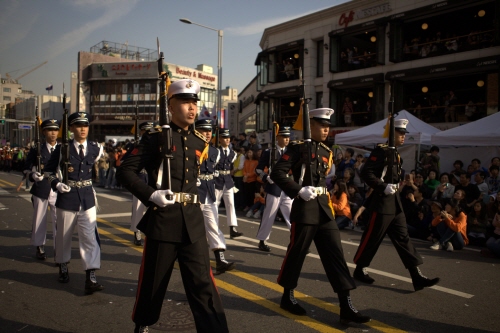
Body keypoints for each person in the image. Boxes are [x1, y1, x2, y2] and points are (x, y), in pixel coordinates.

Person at [115, 79, 229, 333]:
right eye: (185, 102)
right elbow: (125, 172)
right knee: (153, 283)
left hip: (192, 221)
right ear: (171, 105)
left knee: (204, 285)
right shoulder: (155, 138)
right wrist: (151, 195)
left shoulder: (200, 141)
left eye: (194, 103)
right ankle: (142, 323)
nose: (192, 108)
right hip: (164, 220)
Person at [271, 108, 370, 325]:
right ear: (310, 126)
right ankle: (287, 296)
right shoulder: (297, 148)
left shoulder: (326, 150)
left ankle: (346, 305)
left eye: (328, 126)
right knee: (297, 253)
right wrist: (298, 190)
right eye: (322, 125)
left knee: (335, 255)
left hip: (324, 209)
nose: (326, 129)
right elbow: (277, 172)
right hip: (305, 207)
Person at [353, 118, 440, 291]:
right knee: (372, 238)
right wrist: (382, 186)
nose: (403, 136)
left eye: (404, 133)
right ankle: (360, 269)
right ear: (392, 134)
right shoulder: (382, 151)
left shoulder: (396, 154)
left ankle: (417, 276)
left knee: (403, 239)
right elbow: (366, 173)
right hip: (381, 204)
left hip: (395, 204)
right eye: (400, 133)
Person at [44, 112, 104, 295]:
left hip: (87, 197)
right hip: (67, 197)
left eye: (85, 125)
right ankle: (63, 265)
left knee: (90, 237)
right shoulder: (62, 149)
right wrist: (56, 184)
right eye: (78, 125)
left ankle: (90, 275)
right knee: (63, 236)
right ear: (71, 128)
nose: (83, 129)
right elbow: (48, 172)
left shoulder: (95, 148)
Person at [195, 117, 235, 274]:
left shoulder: (215, 151)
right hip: (194, 191)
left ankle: (220, 259)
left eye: (209, 131)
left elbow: (215, 170)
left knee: (213, 225)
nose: (207, 133)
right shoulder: (190, 148)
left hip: (209, 191)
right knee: (191, 226)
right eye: (203, 130)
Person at [25, 119, 60, 260]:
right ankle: (39, 246)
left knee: (59, 220)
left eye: (55, 130)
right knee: (40, 218)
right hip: (42, 187)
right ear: (44, 132)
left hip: (57, 188)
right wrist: (33, 175)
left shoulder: (63, 148)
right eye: (50, 130)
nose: (53, 133)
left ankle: (59, 247)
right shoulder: (36, 149)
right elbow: (26, 167)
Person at [255, 125, 293, 252]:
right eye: (284, 137)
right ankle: (262, 240)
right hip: (274, 186)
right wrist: (266, 177)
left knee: (291, 215)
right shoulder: (269, 152)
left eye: (288, 137)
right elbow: (258, 169)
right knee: (269, 215)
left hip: (287, 186)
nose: (287, 139)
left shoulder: (290, 151)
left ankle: (296, 241)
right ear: (278, 137)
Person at [129, 121, 154, 246]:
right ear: (141, 132)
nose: (148, 133)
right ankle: (137, 232)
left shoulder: (156, 145)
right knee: (138, 208)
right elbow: (127, 164)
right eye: (145, 131)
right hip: (139, 179)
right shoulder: (136, 145)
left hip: (151, 180)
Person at [215, 128, 243, 239]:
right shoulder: (216, 151)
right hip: (217, 179)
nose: (227, 140)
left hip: (228, 179)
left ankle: (233, 228)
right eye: (224, 138)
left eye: (228, 138)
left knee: (231, 204)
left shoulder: (233, 153)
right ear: (220, 139)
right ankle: (214, 227)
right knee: (215, 204)